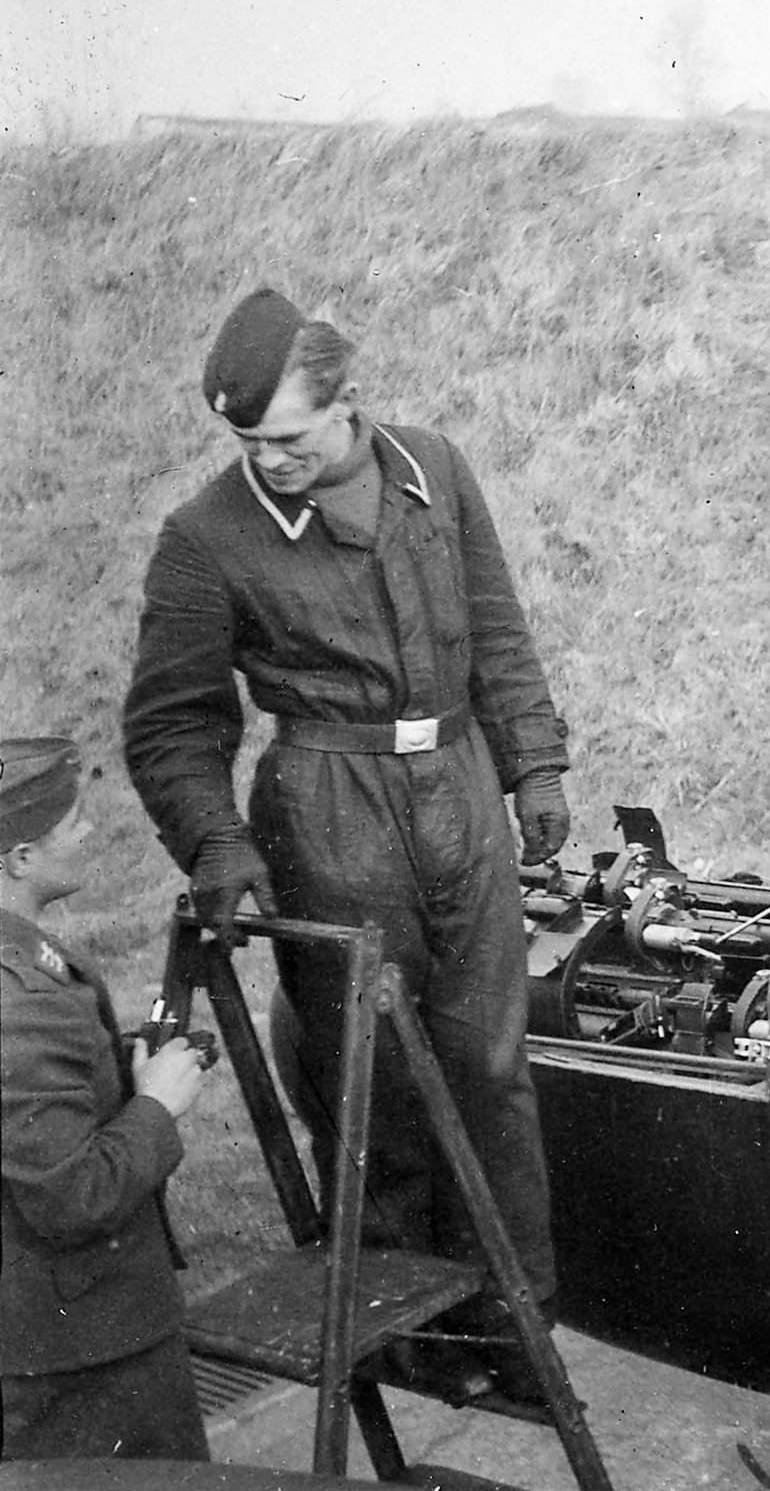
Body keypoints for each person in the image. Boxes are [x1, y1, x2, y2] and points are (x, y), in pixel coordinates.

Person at [122, 286, 572, 1399]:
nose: (267, 462)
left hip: (460, 790)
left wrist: (534, 763)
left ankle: (514, 1333)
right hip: (329, 814)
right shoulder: (205, 538)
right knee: (372, 1086)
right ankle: (407, 1342)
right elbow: (172, 724)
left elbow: (496, 627)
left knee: (493, 1071)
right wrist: (217, 842)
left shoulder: (434, 470)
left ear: (348, 401)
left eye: (288, 438)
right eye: (248, 444)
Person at [2, 736, 214, 1462]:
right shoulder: (21, 1003)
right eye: (71, 823)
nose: (90, 829)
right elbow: (72, 1197)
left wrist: (111, 1069)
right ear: (20, 859)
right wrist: (155, 1104)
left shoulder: (24, 965)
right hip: (84, 1351)